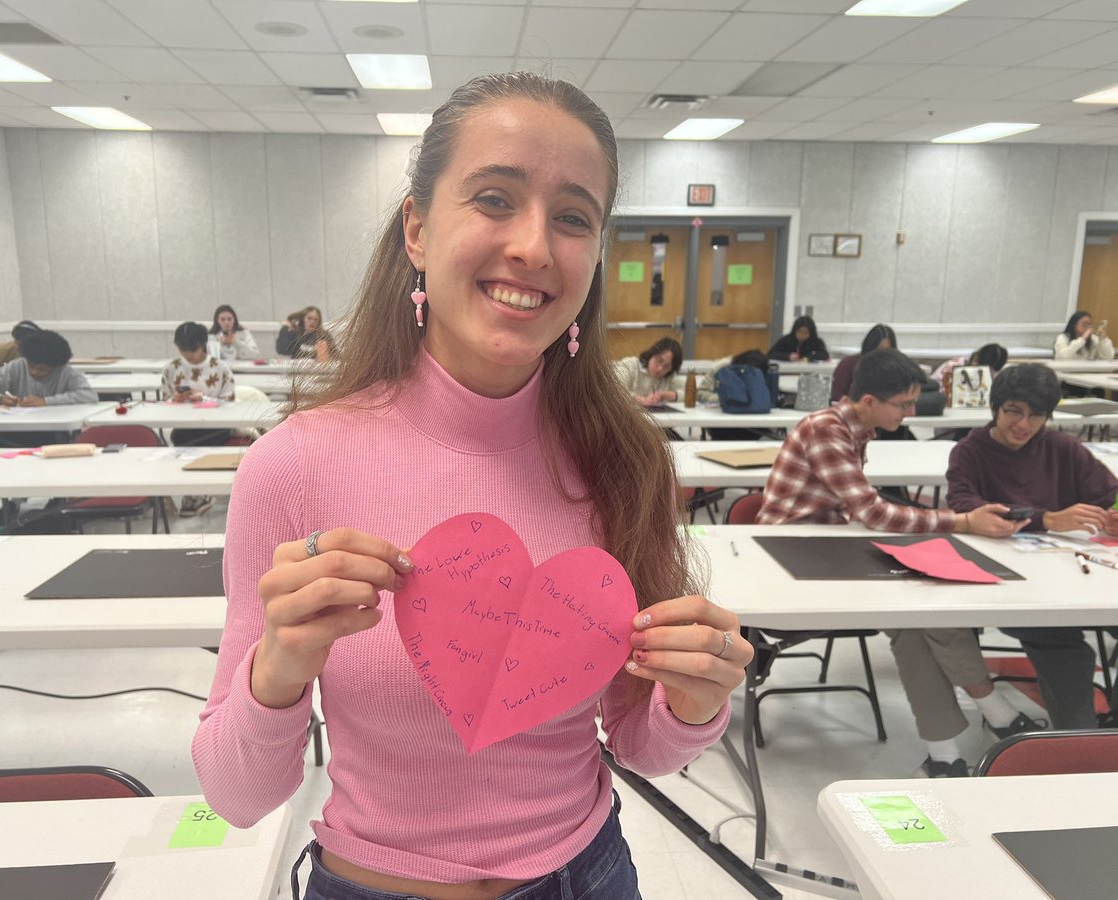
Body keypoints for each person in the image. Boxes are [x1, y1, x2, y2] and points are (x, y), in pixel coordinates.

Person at [194, 72, 753, 900]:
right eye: (495, 199)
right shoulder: (296, 464)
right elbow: (235, 798)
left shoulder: (624, 458)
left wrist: (697, 702)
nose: (533, 246)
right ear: (417, 229)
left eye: (573, 218)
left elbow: (637, 742)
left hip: (589, 878)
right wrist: (277, 669)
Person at [757, 349, 1033, 777]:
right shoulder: (825, 430)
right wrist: (960, 522)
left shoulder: (855, 427)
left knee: (915, 614)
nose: (909, 413)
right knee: (919, 605)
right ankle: (992, 709)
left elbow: (865, 513)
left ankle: (944, 755)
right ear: (869, 402)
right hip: (786, 564)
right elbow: (873, 513)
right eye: (902, 404)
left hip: (821, 549)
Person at [947, 364, 1118, 730]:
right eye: (1014, 411)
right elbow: (965, 508)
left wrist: (1114, 514)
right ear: (995, 408)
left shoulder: (1063, 448)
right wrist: (1049, 519)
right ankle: (1078, 746)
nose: (1024, 425)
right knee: (1066, 651)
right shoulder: (970, 452)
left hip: (1078, 577)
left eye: (1037, 415)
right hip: (1016, 589)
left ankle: (1110, 726)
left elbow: (1111, 494)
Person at [162, 321, 236, 518]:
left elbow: (230, 402)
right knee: (181, 439)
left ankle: (201, 491)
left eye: (192, 351)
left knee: (201, 442)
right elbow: (164, 400)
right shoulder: (172, 369)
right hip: (185, 426)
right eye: (183, 350)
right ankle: (192, 491)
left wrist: (204, 398)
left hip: (215, 427)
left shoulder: (220, 368)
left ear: (202, 345)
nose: (188, 355)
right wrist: (175, 399)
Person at [0, 330, 96, 407]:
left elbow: (89, 395)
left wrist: (45, 401)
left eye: (42, 369)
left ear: (56, 366)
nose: (34, 372)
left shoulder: (66, 371)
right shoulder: (17, 366)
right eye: (31, 366)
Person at [830, 323, 897, 402]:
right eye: (878, 350)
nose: (882, 354)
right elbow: (837, 395)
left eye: (887, 351)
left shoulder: (895, 369)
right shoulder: (849, 364)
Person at [612, 337, 683, 406]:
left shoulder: (670, 376)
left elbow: (690, 394)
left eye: (667, 366)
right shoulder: (629, 365)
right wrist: (643, 400)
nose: (660, 368)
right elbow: (614, 390)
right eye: (659, 360)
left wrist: (666, 395)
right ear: (652, 354)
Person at [931, 343, 1009, 390]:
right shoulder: (953, 367)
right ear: (976, 359)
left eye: (992, 371)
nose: (990, 373)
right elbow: (935, 388)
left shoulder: (1000, 374)